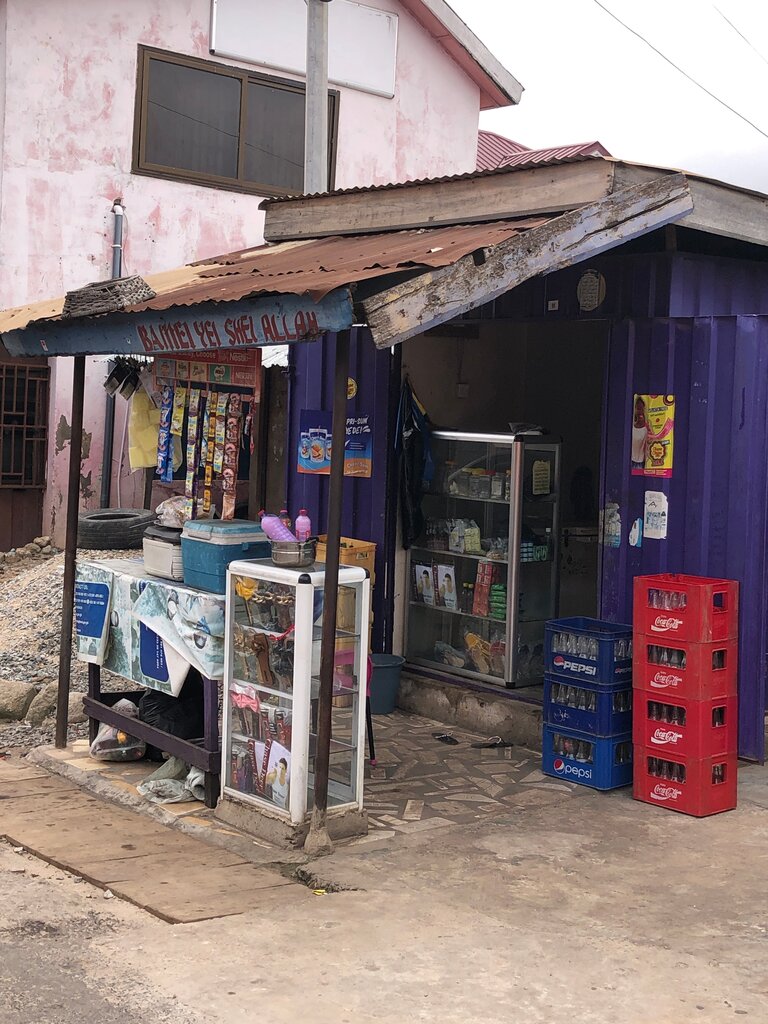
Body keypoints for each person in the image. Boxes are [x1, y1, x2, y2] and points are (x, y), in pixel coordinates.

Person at [631, 396, 649, 471]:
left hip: (642, 463)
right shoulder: (631, 427)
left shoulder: (648, 429)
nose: (640, 411)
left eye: (642, 408)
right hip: (631, 461)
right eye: (638, 409)